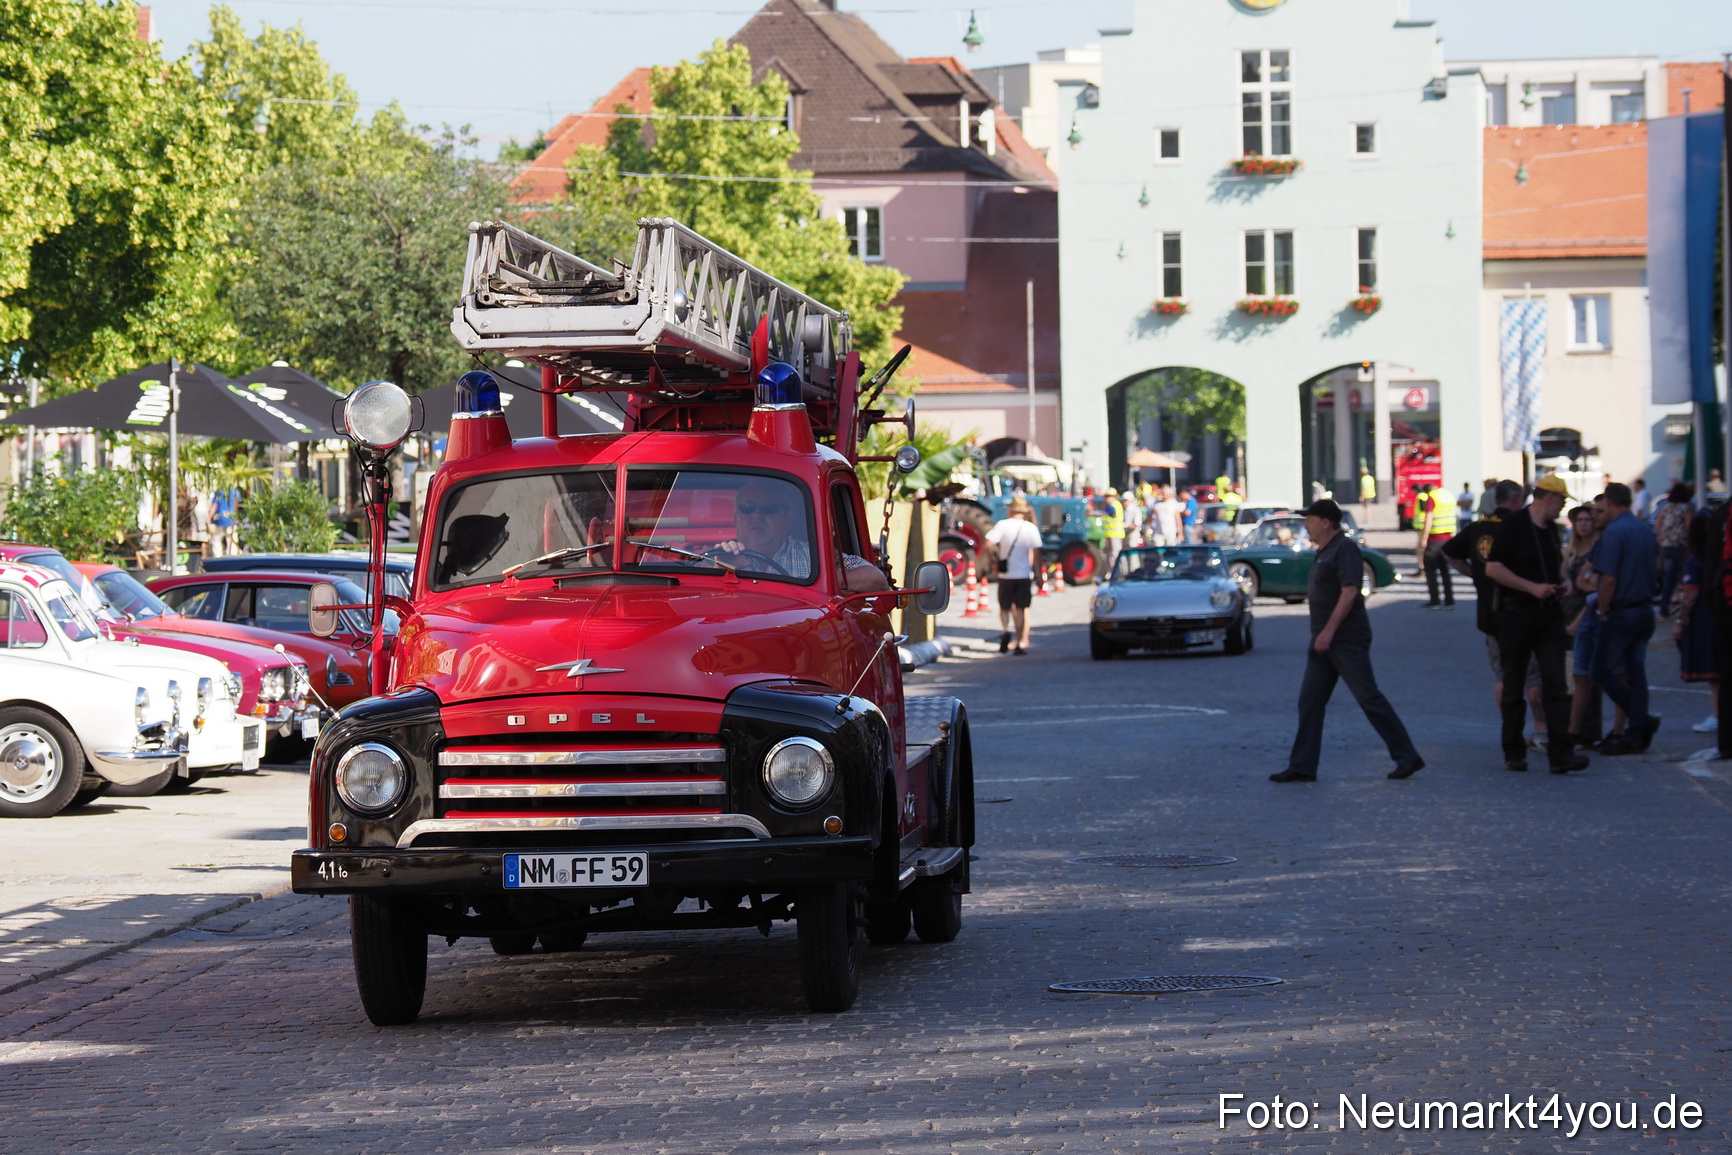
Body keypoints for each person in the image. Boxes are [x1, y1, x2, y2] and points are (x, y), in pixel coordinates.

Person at [1270, 500, 1424, 783]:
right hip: (1323, 641)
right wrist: (1322, 635)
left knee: (1368, 697)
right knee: (1310, 701)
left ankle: (1407, 756)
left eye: (1310, 519)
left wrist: (1328, 631)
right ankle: (1302, 765)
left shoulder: (1345, 549)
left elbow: (1350, 591)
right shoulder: (1325, 551)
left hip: (1344, 639)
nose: (1305, 525)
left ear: (1325, 522)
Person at [1484, 474, 1591, 774]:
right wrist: (1531, 588)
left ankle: (1560, 753)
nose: (1562, 507)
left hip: (1548, 615)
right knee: (1514, 686)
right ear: (1549, 498)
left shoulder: (1552, 530)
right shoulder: (1514, 525)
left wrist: (1565, 580)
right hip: (1516, 615)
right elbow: (1493, 568)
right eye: (1561, 501)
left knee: (1556, 684)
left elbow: (1557, 564)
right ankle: (1514, 751)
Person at [1445, 479, 1548, 745]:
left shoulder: (1479, 528)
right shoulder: (1525, 528)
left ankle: (1510, 729)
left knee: (1502, 673)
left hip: (1490, 613)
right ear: (1515, 500)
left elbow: (1447, 552)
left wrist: (1474, 575)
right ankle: (1541, 731)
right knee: (1533, 675)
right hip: (1525, 609)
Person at [1590, 481, 1660, 755]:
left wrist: (1603, 610)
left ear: (1609, 502)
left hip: (1622, 611)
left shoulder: (1615, 532)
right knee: (1635, 671)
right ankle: (1635, 732)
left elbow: (1609, 579)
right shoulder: (1644, 529)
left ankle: (1640, 721)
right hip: (1644, 608)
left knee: (1601, 670)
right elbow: (1657, 568)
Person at [1561, 503, 1610, 749]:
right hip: (1566, 614)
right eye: (1579, 520)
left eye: (1587, 520)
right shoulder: (1570, 551)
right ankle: (1571, 726)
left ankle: (1588, 731)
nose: (1583, 524)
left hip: (1587, 614)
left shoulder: (1599, 550)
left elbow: (1597, 590)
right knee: (1571, 676)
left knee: (1587, 674)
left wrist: (1577, 621)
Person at [1673, 513, 1719, 733]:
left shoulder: (1695, 560)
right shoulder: (1719, 555)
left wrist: (1680, 621)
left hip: (1705, 619)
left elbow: (1689, 596)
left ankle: (1718, 715)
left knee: (1713, 672)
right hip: (1720, 614)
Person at [987, 495, 1042, 655]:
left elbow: (988, 544)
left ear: (1010, 510)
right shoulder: (1030, 528)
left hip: (1006, 575)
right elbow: (1036, 553)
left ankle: (1005, 630)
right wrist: (1039, 574)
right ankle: (1019, 641)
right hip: (1023, 574)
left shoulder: (1002, 525)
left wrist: (994, 561)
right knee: (1022, 608)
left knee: (1004, 607)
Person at [1653, 482, 1692, 617]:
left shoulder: (1666, 507)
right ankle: (1686, 607)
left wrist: (1661, 541)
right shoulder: (1686, 508)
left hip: (1666, 548)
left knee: (1669, 579)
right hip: (1680, 547)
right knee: (1685, 578)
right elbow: (1689, 527)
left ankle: (1664, 610)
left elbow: (1657, 526)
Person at [1416, 480, 1456, 609]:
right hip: (1448, 537)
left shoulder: (1432, 497)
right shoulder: (1448, 495)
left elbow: (1429, 518)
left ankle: (1435, 600)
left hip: (1435, 538)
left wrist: (1424, 537)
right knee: (1445, 570)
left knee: (1430, 569)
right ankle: (1449, 601)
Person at [1100, 487, 1125, 572]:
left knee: (1115, 555)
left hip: (1115, 535)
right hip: (1111, 534)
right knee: (1111, 555)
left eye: (1108, 497)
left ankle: (1118, 573)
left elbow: (1103, 513)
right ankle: (1114, 573)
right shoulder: (1115, 505)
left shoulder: (1113, 505)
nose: (1106, 499)